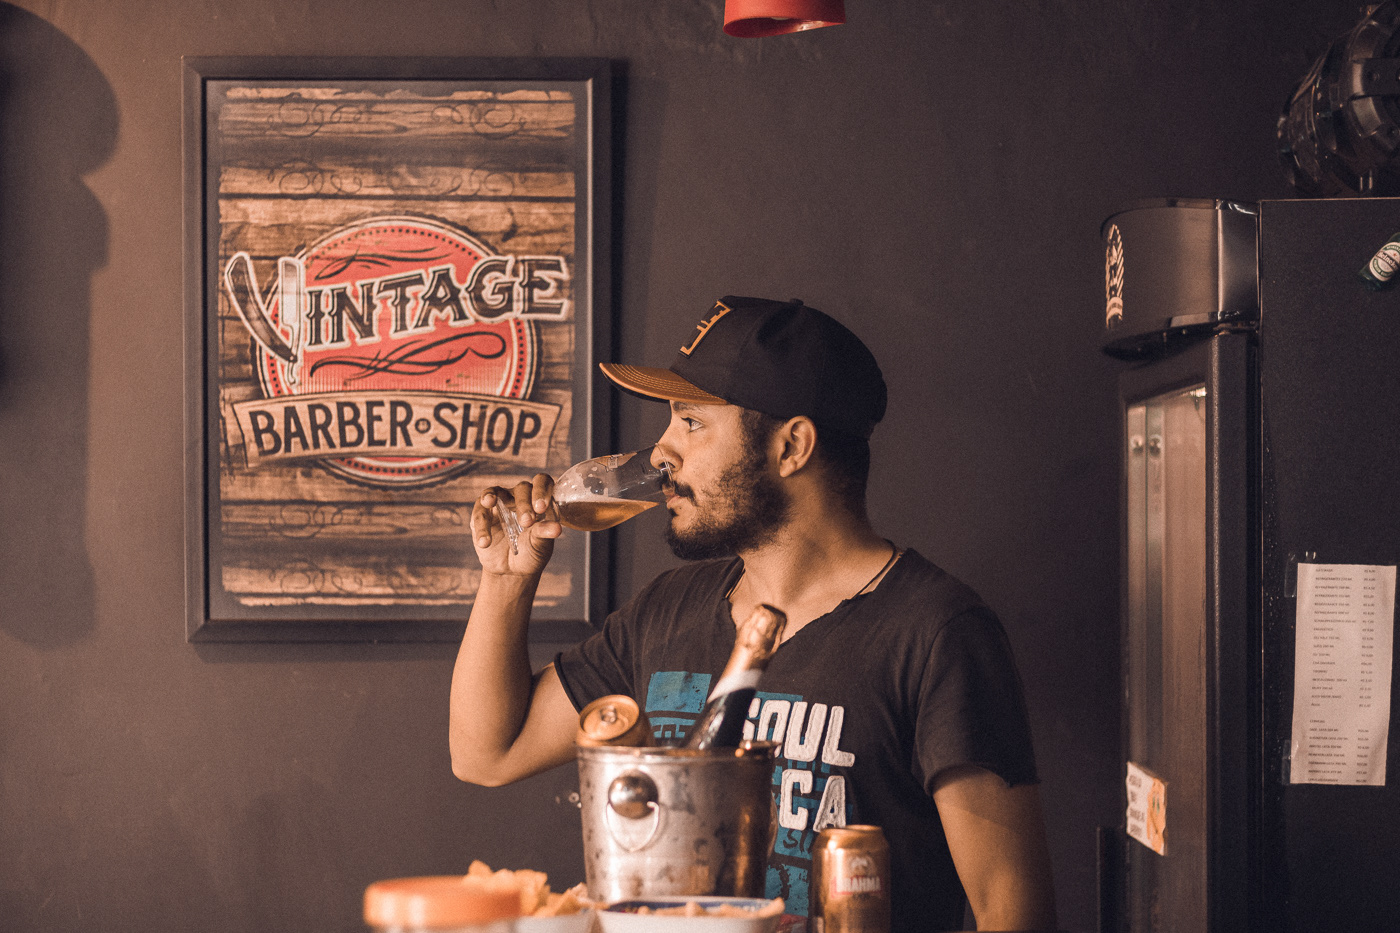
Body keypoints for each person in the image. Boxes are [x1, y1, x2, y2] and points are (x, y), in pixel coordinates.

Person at [449, 296, 1057, 932]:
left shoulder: (936, 633)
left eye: (692, 423)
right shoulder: (668, 610)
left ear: (792, 446)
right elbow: (487, 753)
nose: (659, 454)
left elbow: (1013, 910)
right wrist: (506, 581)